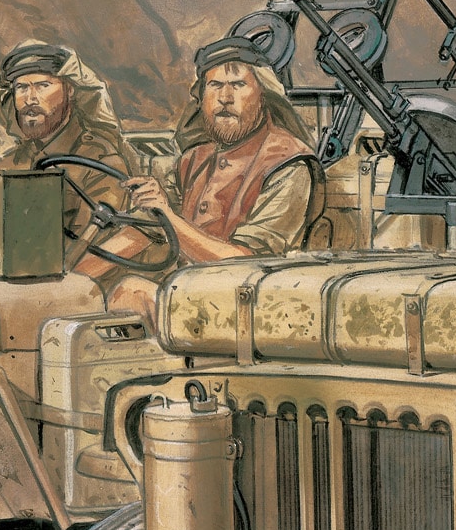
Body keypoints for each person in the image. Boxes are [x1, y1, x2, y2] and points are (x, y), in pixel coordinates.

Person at [89, 33, 319, 323]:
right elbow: (143, 230)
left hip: (255, 310)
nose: (225, 98)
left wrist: (167, 215)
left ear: (263, 95)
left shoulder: (288, 164)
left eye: (238, 85)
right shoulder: (194, 159)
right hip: (190, 297)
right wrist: (73, 277)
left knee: (131, 293)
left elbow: (247, 264)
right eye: (215, 85)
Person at [0, 41, 137, 240]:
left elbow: (91, 247)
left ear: (69, 91)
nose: (30, 99)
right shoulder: (7, 164)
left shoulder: (100, 161)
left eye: (43, 86)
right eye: (21, 87)